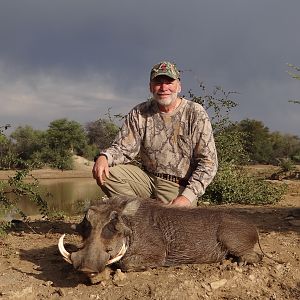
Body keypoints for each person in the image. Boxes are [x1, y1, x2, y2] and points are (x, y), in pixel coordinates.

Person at [92, 61, 218, 207]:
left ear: (179, 86)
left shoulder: (195, 112)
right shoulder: (139, 112)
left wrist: (186, 198)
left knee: (173, 225)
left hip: (177, 187)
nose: (164, 88)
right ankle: (137, 215)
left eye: (169, 82)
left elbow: (209, 163)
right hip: (147, 180)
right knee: (108, 173)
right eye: (158, 82)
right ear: (150, 87)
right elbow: (123, 148)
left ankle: (147, 215)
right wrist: (104, 157)